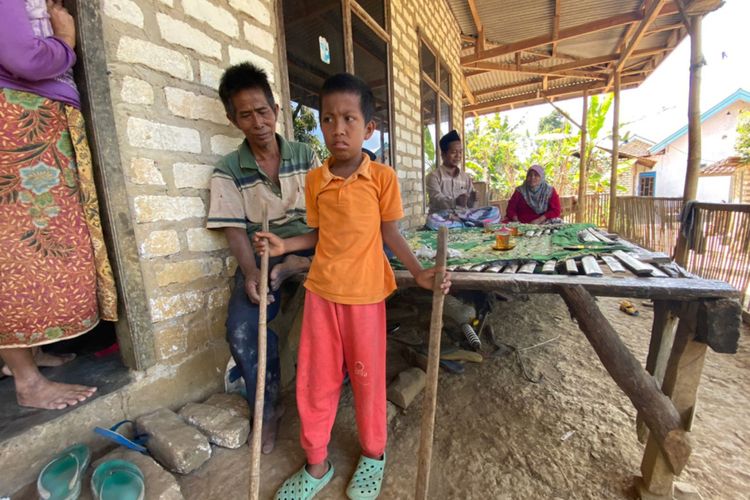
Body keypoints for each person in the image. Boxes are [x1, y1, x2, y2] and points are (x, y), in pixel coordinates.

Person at [253, 73, 451, 500]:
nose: (337, 129)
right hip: (322, 294)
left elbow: (391, 234)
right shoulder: (316, 179)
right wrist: (285, 243)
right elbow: (320, 234)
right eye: (327, 119)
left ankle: (373, 454)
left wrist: (418, 272)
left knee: (366, 379)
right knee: (315, 380)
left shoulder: (381, 177)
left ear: (369, 128)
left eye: (348, 119)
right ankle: (316, 463)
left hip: (365, 298)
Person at [0, 0, 118, 410]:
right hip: (17, 124)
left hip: (34, 122)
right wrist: (66, 41)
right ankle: (26, 381)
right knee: (20, 254)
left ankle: (29, 355)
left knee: (41, 254)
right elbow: (21, 56)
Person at [206, 62, 318, 454]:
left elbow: (333, 217)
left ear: (276, 108)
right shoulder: (229, 169)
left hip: (309, 242)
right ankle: (267, 409)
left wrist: (300, 255)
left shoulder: (305, 154)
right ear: (232, 118)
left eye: (264, 111)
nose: (258, 122)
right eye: (246, 114)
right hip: (263, 254)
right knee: (241, 326)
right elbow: (235, 231)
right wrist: (252, 272)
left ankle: (300, 267)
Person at [425, 129, 476, 214]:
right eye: (454, 152)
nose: (458, 156)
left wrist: (473, 199)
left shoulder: (465, 178)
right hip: (440, 223)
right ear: (443, 154)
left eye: (460, 152)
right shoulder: (434, 176)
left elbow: (469, 205)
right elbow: (437, 199)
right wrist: (455, 202)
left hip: (461, 222)